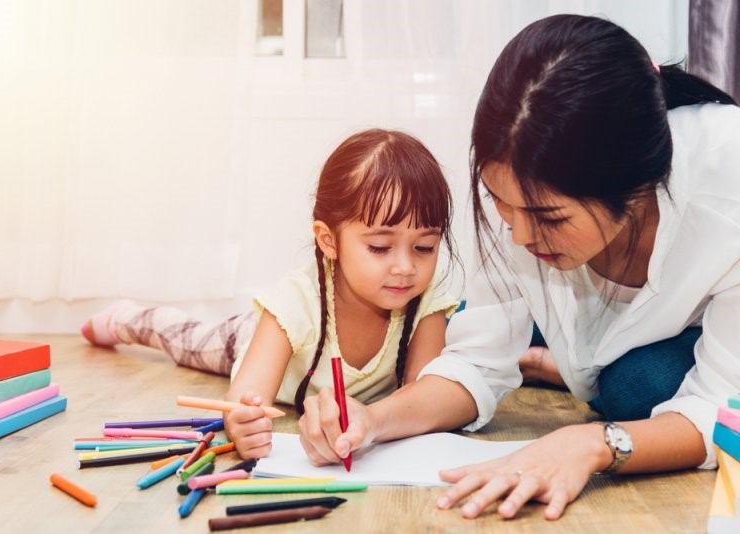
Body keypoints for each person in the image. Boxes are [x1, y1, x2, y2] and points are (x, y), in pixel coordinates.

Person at [297, 14, 740, 521]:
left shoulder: (728, 193)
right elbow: (475, 363)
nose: (521, 236)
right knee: (610, 376)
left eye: (549, 217)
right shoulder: (524, 187)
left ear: (635, 190)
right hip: (609, 335)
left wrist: (594, 444)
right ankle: (544, 357)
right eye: (499, 201)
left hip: (707, 334)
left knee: (640, 387)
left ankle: (545, 360)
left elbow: (723, 412)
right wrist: (372, 420)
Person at [81, 128, 461, 459]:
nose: (406, 267)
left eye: (424, 247)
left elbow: (422, 390)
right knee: (187, 338)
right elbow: (245, 395)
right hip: (248, 338)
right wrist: (242, 420)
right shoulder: (297, 300)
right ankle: (125, 319)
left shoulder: (427, 291)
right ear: (329, 241)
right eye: (380, 247)